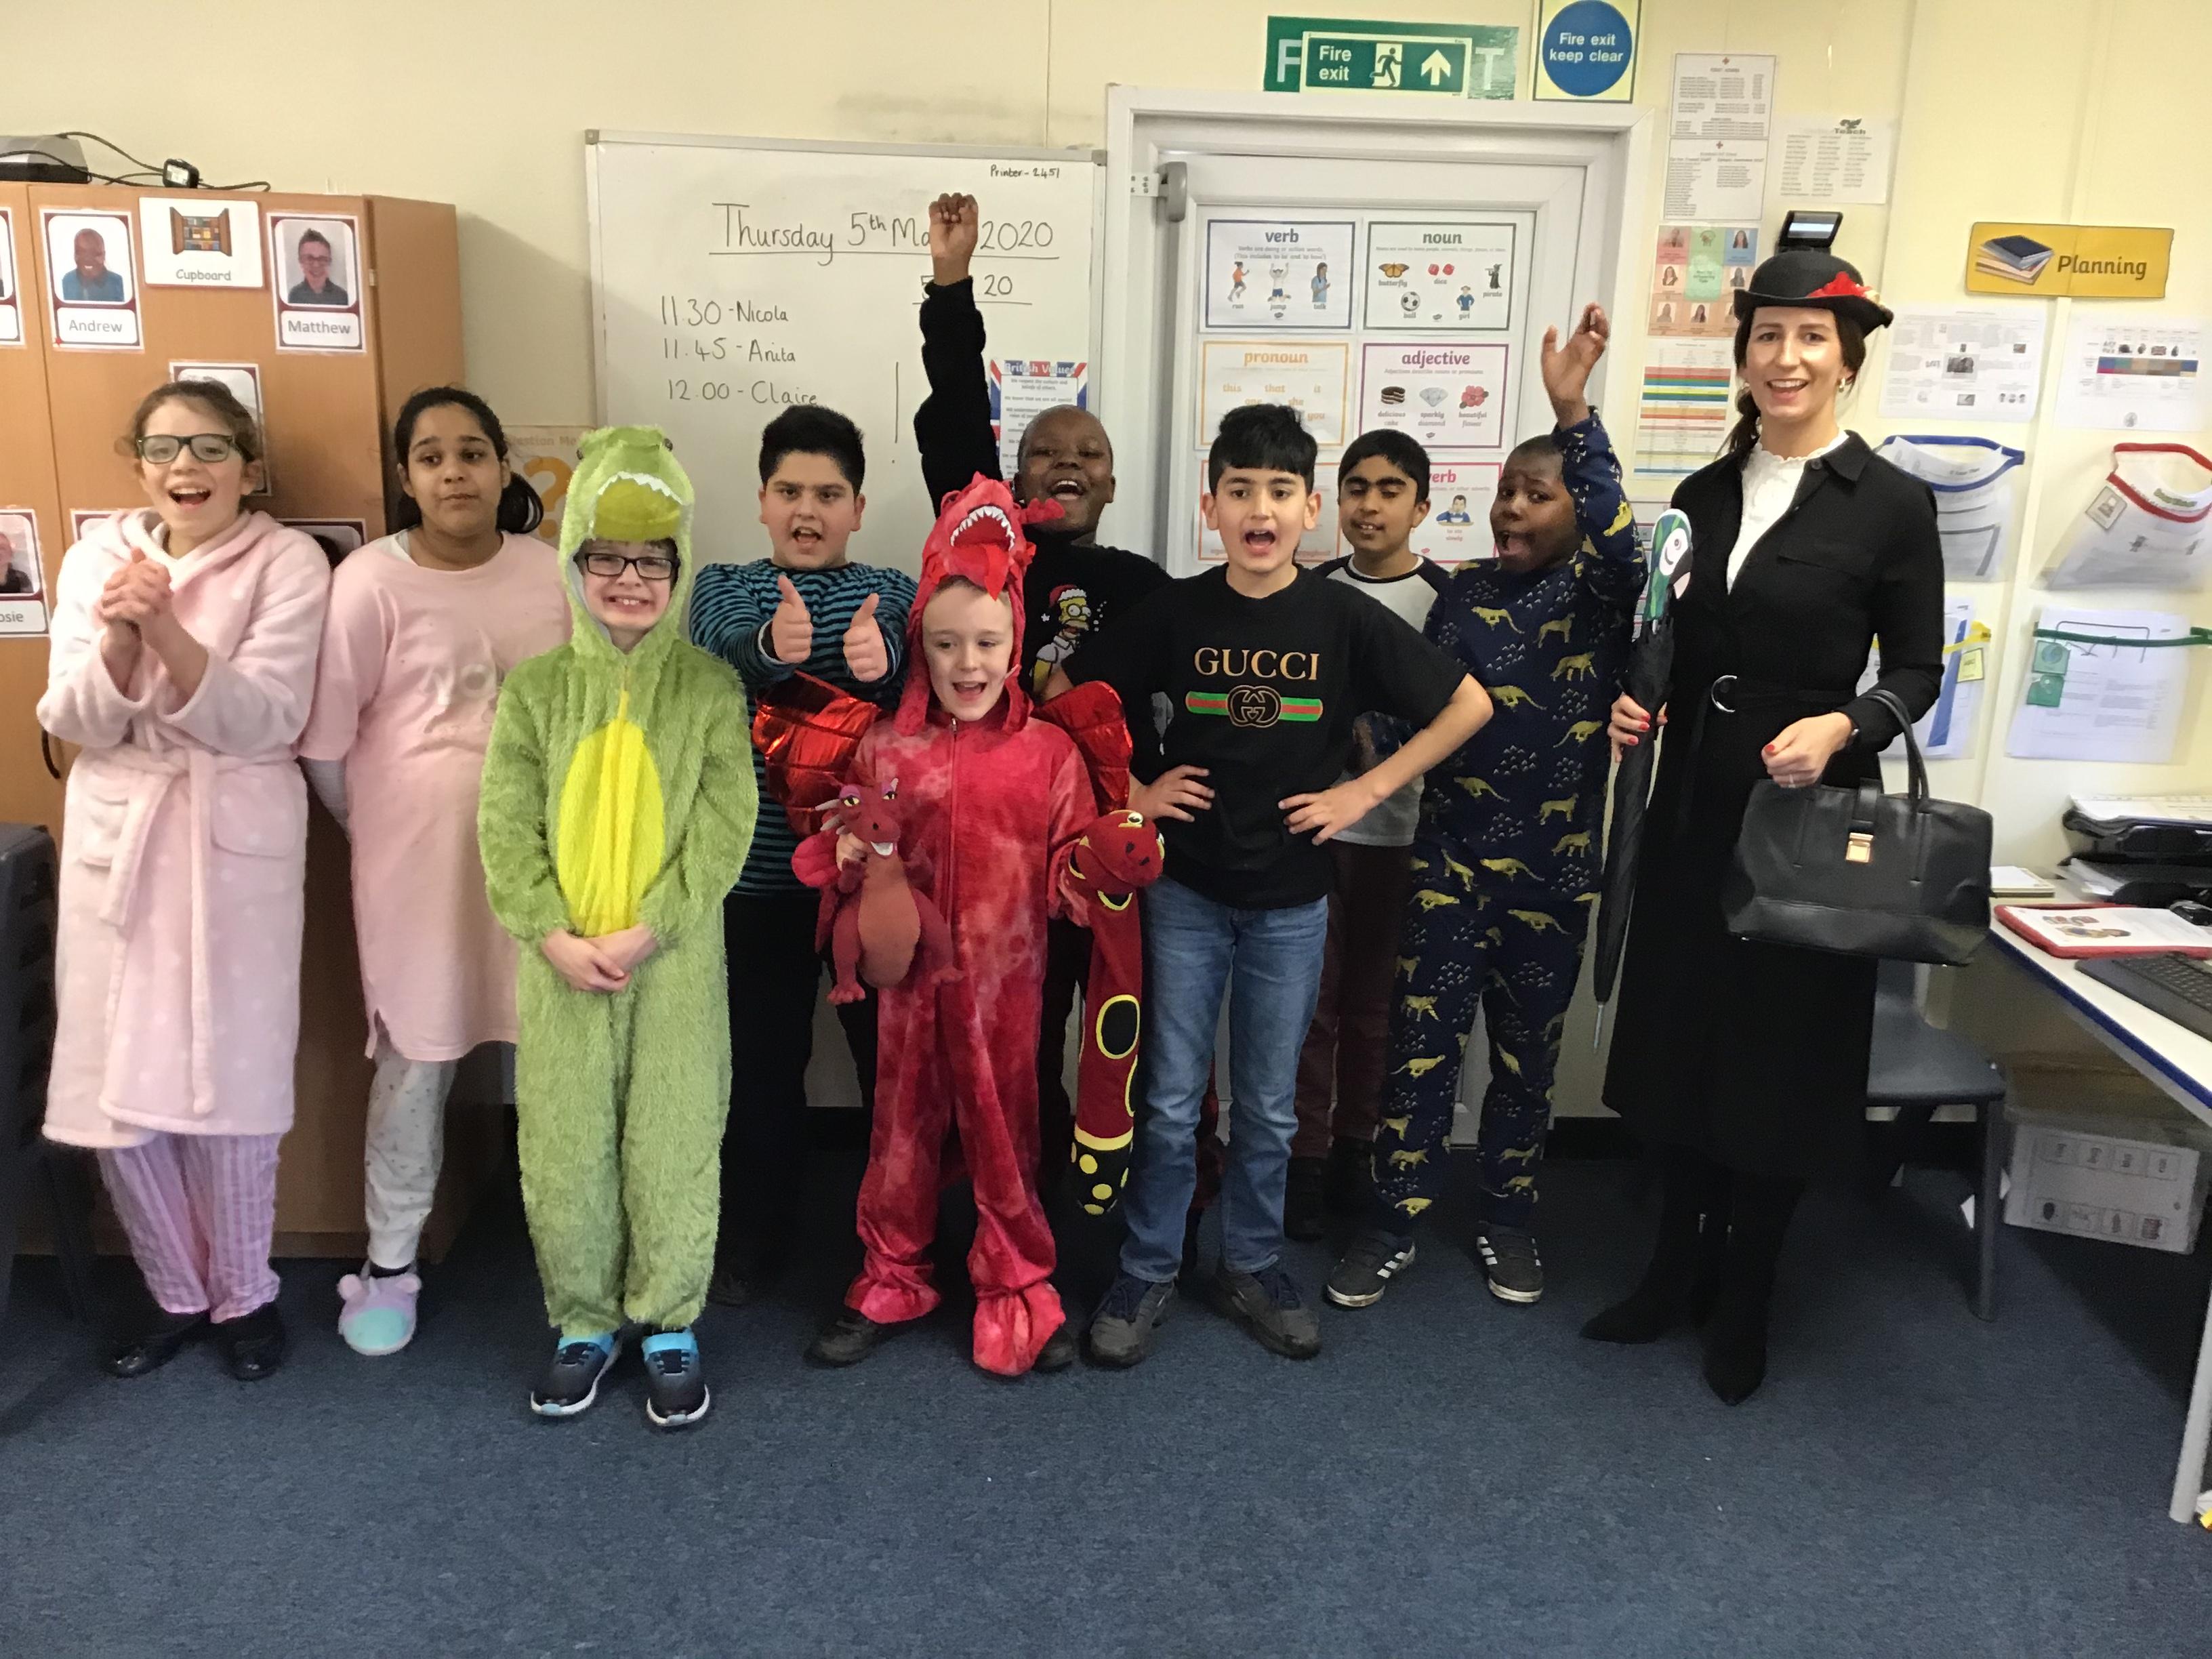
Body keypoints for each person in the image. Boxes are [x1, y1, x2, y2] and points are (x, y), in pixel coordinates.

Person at [1057, 404, 1492, 1366]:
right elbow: (1063, 698)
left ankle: (1251, 1261)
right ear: (1210, 506)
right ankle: (1149, 1264)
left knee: (1268, 1106)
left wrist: (1366, 791)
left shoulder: (1344, 618)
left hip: (1292, 902)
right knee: (1171, 1099)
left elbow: (1468, 705)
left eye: (1281, 492)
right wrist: (1131, 791)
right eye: (1241, 491)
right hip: (1184, 893)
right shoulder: (1175, 610)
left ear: (1309, 511)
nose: (1260, 510)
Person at [1590, 252, 1942, 1404]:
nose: (1785, 359)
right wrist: (1642, 701)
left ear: (1846, 358)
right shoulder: (1700, 495)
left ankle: (1745, 1300)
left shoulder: (1890, 504)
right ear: (1742, 355)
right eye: (1766, 337)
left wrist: (1844, 724)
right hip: (1696, 803)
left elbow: (1918, 670)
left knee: (1776, 1065)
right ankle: (1669, 1274)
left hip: (1805, 822)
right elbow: (1672, 643)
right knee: (1683, 1045)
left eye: (1810, 338)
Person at [1327, 304, 1643, 1313]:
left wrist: (1574, 416)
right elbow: (1420, 699)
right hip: (1450, 865)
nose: (1511, 509)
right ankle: (1393, 1222)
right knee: (1419, 1053)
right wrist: (1348, 731)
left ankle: (1507, 1219)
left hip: (1554, 876)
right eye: (1506, 490)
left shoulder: (1601, 593)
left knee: (1524, 1062)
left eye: (1536, 495)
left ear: (1575, 510)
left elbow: (1626, 544)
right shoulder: (1463, 593)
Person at [802, 475, 1152, 1376]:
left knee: (1007, 1135)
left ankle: (1017, 1279)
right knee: (899, 1132)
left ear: (1016, 641)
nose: (968, 664)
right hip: (907, 988)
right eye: (947, 642)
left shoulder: (1050, 753)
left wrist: (1100, 868)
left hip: (1006, 991)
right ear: (921, 642)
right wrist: (846, 860)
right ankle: (892, 1271)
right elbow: (848, 841)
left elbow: (1070, 874)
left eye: (989, 643)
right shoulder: (886, 745)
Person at [38, 380, 330, 1381]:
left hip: (230, 833)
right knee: (110, 1083)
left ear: (250, 467)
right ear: (138, 466)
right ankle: (173, 1290)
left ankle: (245, 1294)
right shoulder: (94, 560)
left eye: (210, 448)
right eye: (163, 449)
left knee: (233, 1076)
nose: (185, 468)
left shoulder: (289, 562)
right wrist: (120, 635)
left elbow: (269, 716)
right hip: (119, 833)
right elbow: (71, 717)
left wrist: (163, 630)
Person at [477, 426, 757, 1429]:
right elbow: (505, 827)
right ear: (575, 562)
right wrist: (549, 933)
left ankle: (670, 1320)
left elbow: (724, 829)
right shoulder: (537, 691)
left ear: (678, 572)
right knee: (567, 1148)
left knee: (674, 1140)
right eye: (609, 557)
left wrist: (654, 929)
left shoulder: (711, 690)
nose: (630, 580)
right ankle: (584, 1320)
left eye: (653, 561)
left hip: (672, 968)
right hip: (560, 969)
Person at [298, 388, 570, 1357]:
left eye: (473, 453)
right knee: (416, 1062)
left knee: (561, 1061)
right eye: (431, 456)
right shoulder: (368, 582)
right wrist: (385, 831)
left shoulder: (552, 575)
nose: (455, 472)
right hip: (416, 871)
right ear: (406, 478)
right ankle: (390, 1266)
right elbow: (326, 746)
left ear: (503, 467)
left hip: (546, 867)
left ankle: (578, 1258)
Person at [916, 190, 1171, 1194]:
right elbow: (953, 419)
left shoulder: (1147, 588)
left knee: (1105, 1020)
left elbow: (1186, 695)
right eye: (1044, 453)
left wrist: (1157, 793)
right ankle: (1000, 1185)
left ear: (1112, 483)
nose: (1067, 464)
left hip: (1097, 845)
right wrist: (951, 284)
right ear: (1013, 478)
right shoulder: (993, 560)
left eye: (1088, 455)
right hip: (989, 838)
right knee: (1001, 1029)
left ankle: (1093, 1192)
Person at [688, 405, 914, 1305]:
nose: (807, 511)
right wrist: (767, 649)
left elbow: (926, 671)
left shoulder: (892, 587)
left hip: (870, 879)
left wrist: (883, 661)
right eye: (790, 492)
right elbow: (720, 651)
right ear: (761, 500)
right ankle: (757, 1235)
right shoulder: (725, 583)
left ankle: (899, 1237)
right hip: (757, 878)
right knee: (763, 1067)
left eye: (828, 494)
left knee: (889, 1064)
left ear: (857, 507)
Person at [1284, 430, 1448, 1240]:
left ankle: (1359, 1148)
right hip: (1318, 838)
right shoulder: (1309, 594)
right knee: (1311, 1008)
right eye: (1356, 488)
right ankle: (1306, 1159)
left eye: (1390, 490)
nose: (1370, 505)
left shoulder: (1448, 602)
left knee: (1377, 1009)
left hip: (1408, 837)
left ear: (1421, 506)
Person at [62, 227, 125, 303]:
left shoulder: (116, 282)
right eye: (81, 252)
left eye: (94, 253)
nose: (88, 259)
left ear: (104, 255)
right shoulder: (68, 281)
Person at [287, 229, 350, 306]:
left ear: (330, 262)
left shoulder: (342, 297)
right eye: (310, 259)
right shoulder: (294, 296)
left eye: (322, 259)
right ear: (301, 261)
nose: (316, 265)